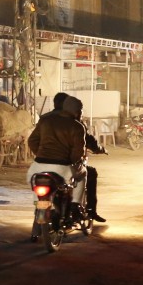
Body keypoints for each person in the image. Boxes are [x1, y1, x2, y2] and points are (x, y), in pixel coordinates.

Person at [27, 94, 88, 240]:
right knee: (83, 174)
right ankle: (75, 205)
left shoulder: (45, 120)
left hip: (37, 167)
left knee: (39, 199)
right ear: (77, 111)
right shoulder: (77, 126)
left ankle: (37, 227)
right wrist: (72, 162)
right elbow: (77, 153)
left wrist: (41, 155)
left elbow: (32, 141)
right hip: (62, 167)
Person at [44, 92, 107, 222]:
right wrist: (99, 149)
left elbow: (34, 141)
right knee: (87, 173)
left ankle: (41, 223)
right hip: (65, 164)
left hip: (43, 163)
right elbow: (87, 141)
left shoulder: (45, 119)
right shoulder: (74, 121)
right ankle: (86, 209)